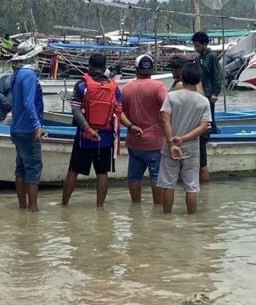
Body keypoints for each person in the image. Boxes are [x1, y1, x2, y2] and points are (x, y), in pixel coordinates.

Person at [62, 54, 122, 208]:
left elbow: (76, 111)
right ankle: (99, 207)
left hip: (85, 138)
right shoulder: (114, 88)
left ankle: (64, 205)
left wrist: (88, 129)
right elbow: (118, 112)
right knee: (102, 173)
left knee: (73, 170)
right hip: (105, 138)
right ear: (104, 68)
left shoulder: (82, 85)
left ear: (89, 66)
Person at [157, 63, 211, 214]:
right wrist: (183, 139)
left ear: (181, 77)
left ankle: (166, 218)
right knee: (192, 186)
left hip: (170, 145)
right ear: (198, 79)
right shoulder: (203, 101)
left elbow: (164, 120)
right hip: (191, 147)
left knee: (168, 185)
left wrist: (172, 141)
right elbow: (203, 126)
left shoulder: (171, 97)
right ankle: (192, 220)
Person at [121, 55, 167, 204]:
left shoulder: (126, 88)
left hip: (134, 140)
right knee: (156, 176)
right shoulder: (158, 87)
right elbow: (168, 108)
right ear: (151, 69)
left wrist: (130, 126)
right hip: (155, 141)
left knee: (134, 176)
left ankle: (136, 207)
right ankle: (158, 209)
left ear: (136, 69)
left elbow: (118, 112)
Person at [9, 42, 46, 212]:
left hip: (17, 128)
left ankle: (22, 206)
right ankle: (33, 207)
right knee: (33, 169)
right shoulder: (29, 75)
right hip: (27, 129)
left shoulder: (17, 75)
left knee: (21, 168)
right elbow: (29, 103)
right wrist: (37, 126)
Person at [192, 32, 221, 182]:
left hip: (209, 94)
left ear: (204, 44)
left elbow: (217, 75)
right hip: (200, 93)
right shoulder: (198, 58)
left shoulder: (211, 57)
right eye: (195, 45)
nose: (196, 48)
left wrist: (216, 92)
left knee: (210, 119)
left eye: (198, 45)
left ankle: (211, 134)